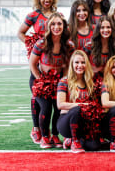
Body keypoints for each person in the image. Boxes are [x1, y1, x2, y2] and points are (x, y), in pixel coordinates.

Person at [17, 0, 58, 144]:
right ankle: (37, 129)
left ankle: (51, 133)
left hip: (54, 63)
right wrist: (32, 44)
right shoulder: (33, 15)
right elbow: (20, 33)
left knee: (54, 103)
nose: (46, 0)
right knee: (38, 96)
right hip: (39, 62)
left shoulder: (58, 16)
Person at [29, 13, 74, 148]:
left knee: (58, 107)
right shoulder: (42, 43)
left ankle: (55, 135)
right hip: (39, 78)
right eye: (53, 24)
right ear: (49, 26)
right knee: (46, 106)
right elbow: (32, 64)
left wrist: (64, 82)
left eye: (59, 24)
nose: (56, 27)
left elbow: (67, 66)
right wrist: (41, 81)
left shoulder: (68, 45)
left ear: (64, 26)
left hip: (58, 80)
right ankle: (44, 136)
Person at [57, 50, 98, 153]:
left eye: (83, 62)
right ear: (72, 64)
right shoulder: (64, 81)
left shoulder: (90, 82)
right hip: (66, 121)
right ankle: (74, 141)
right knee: (76, 109)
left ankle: (74, 139)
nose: (80, 65)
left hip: (83, 123)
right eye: (77, 62)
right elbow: (60, 105)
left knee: (94, 146)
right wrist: (82, 105)